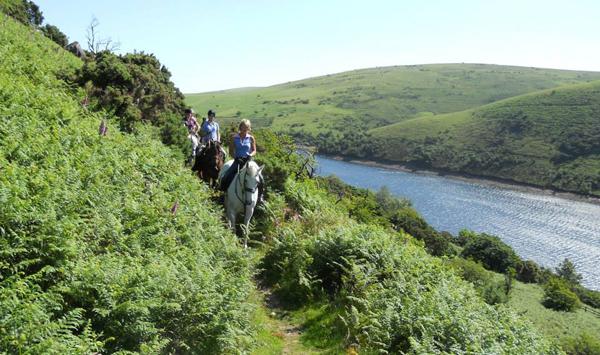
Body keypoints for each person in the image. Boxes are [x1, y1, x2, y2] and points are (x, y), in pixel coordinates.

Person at [220, 119, 264, 203]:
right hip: (238, 160)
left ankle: (260, 197)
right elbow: (231, 150)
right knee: (226, 176)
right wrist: (236, 157)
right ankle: (222, 195)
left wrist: (250, 155)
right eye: (244, 127)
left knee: (260, 178)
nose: (245, 128)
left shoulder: (251, 138)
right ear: (241, 127)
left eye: (247, 127)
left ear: (249, 128)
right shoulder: (234, 138)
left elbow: (254, 150)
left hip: (248, 161)